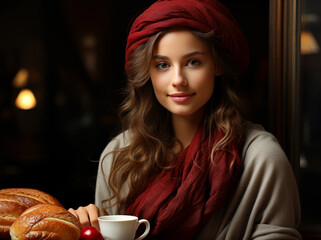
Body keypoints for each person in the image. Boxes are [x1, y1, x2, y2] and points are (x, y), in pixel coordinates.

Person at [68, 0, 302, 239]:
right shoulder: (119, 155)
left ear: (218, 65)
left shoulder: (261, 158)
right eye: (162, 65)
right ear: (147, 73)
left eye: (193, 62)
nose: (178, 79)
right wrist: (89, 227)